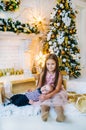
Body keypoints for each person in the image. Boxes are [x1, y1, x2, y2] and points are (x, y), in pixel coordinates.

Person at [37, 53, 68, 122]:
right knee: (45, 101)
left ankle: (60, 115)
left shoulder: (58, 74)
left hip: (56, 91)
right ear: (45, 64)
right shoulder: (43, 73)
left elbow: (57, 89)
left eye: (52, 64)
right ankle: (44, 113)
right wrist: (40, 93)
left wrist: (49, 95)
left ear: (56, 64)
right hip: (46, 90)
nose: (50, 66)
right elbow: (39, 86)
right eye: (48, 64)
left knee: (57, 99)